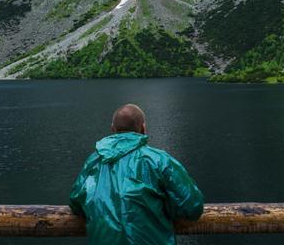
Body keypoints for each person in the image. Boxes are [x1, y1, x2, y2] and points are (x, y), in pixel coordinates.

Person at [69, 103, 204, 245]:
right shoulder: (159, 160)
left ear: (113, 129)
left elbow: (76, 203)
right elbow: (192, 207)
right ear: (143, 128)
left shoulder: (93, 161)